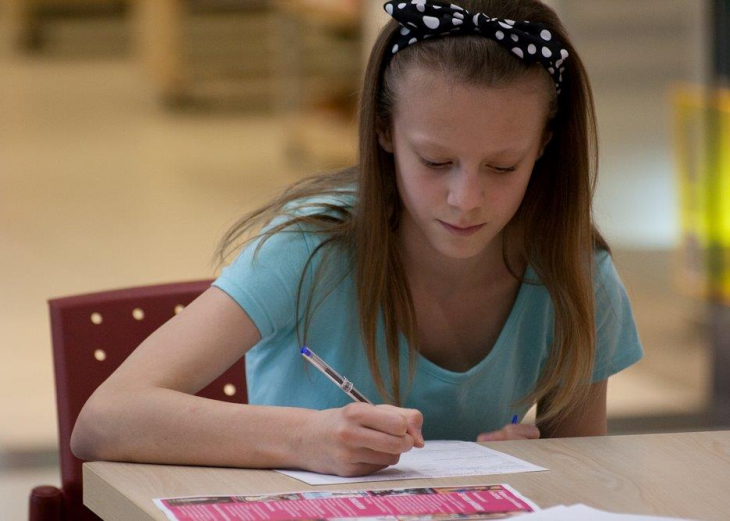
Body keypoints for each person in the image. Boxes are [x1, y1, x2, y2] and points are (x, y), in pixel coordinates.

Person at [71, 0, 643, 477]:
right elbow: (105, 420)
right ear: (382, 131)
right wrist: (308, 438)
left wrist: (547, 462)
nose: (466, 199)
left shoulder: (575, 272)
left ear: (544, 146)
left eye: (502, 167)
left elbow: (584, 474)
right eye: (436, 160)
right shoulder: (309, 249)